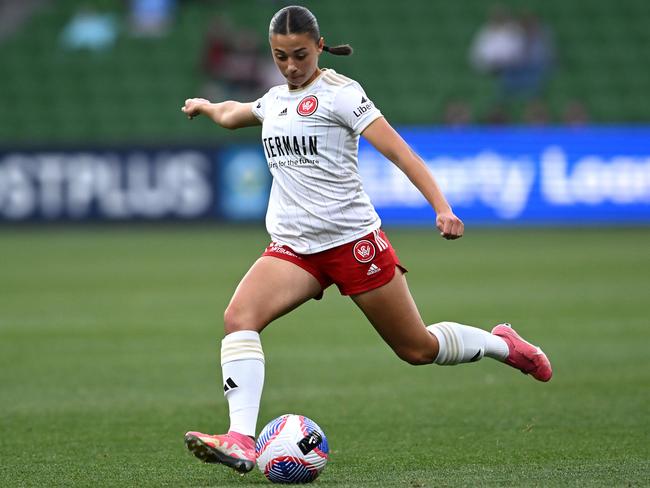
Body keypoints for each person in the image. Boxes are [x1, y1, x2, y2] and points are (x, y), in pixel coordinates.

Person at [181, 5, 552, 475]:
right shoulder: (274, 99)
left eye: (299, 55)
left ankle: (503, 344)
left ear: (319, 46)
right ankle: (240, 439)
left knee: (417, 349)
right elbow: (238, 113)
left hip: (352, 242)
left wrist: (442, 207)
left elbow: (400, 151)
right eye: (280, 57)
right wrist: (208, 107)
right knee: (239, 317)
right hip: (294, 248)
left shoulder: (341, 94)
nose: (291, 66)